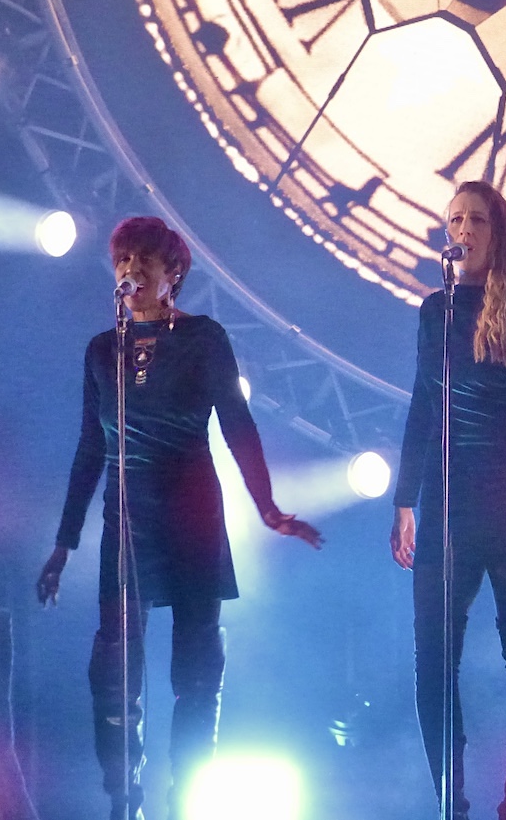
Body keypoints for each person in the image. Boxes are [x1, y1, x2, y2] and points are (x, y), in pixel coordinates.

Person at [36, 216, 323, 820]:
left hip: (192, 512)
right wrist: (64, 544)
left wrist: (268, 507)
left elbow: (238, 426)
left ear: (174, 275)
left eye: (145, 260)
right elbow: (91, 447)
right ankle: (124, 800)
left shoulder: (204, 338)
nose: (131, 270)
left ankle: (184, 803)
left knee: (196, 673)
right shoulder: (102, 349)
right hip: (126, 517)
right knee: (113, 670)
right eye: (123, 260)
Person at [390, 180, 506, 820]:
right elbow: (423, 405)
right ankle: (453, 801)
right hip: (447, 501)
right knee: (434, 657)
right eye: (455, 220)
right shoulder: (434, 311)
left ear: (498, 233)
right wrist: (404, 499)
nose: (463, 230)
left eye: (475, 220)